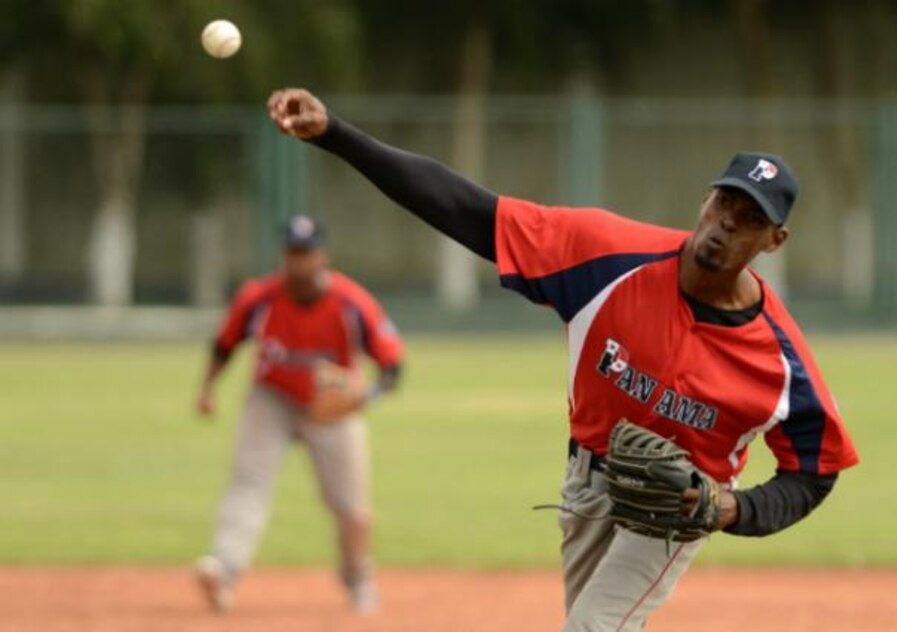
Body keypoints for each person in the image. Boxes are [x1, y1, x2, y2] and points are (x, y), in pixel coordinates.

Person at [265, 88, 859, 631]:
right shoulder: (606, 257)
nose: (729, 222)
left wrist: (734, 508)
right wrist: (334, 134)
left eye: (752, 217)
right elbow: (465, 208)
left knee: (591, 628)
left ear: (773, 241)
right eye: (726, 201)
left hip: (675, 510)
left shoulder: (779, 360)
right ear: (705, 198)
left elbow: (815, 470)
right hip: (584, 486)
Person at [194, 214, 404, 614]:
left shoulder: (351, 302)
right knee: (249, 483)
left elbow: (394, 366)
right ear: (283, 255)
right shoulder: (259, 297)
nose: (299, 261)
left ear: (321, 255)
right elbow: (224, 344)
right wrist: (207, 389)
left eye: (306, 253)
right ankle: (223, 568)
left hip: (332, 408)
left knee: (352, 507)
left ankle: (359, 581)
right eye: (293, 253)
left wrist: (365, 396)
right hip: (271, 398)